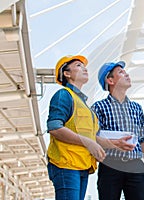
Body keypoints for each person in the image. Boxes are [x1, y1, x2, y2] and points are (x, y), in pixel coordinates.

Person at [46, 55, 106, 200]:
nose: (84, 68)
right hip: (66, 163)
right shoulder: (64, 95)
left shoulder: (84, 104)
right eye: (78, 65)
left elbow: (90, 136)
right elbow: (55, 127)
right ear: (67, 73)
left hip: (82, 164)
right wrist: (88, 143)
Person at [91, 61, 144, 200]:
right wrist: (114, 143)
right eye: (121, 72)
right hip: (110, 165)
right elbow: (92, 138)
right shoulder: (98, 107)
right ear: (110, 80)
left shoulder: (136, 108)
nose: (126, 74)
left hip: (135, 165)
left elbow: (142, 138)